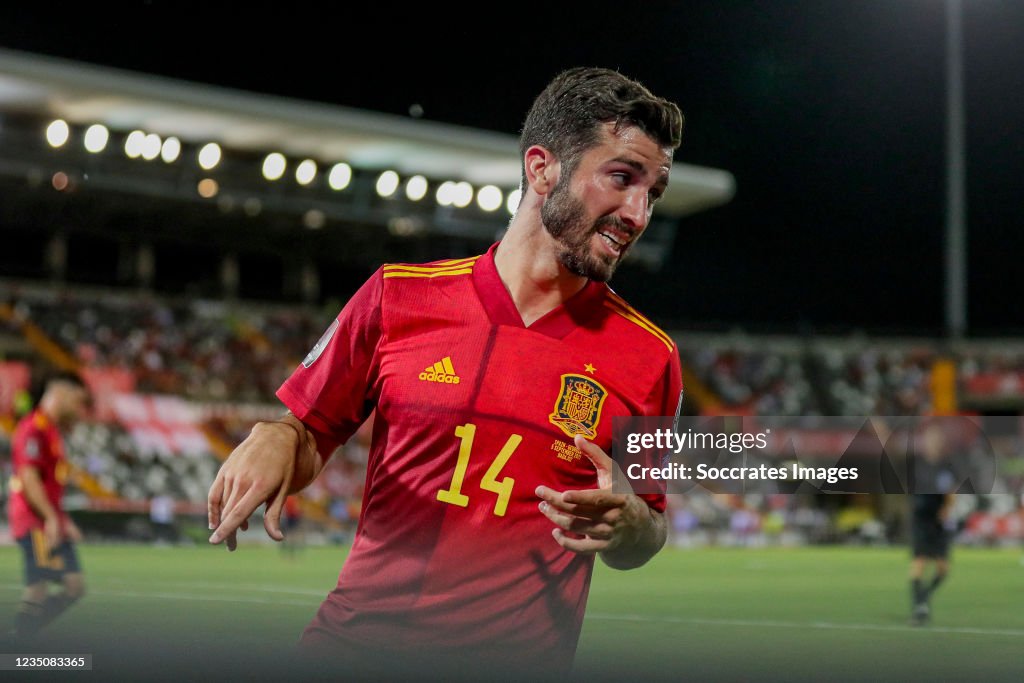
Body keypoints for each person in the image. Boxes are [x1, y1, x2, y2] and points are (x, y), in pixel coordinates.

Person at [208, 66, 685, 674]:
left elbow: (649, 527)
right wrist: (278, 434)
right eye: (621, 178)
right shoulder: (396, 297)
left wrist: (631, 523)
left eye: (654, 192)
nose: (638, 214)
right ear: (542, 168)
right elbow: (307, 432)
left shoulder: (651, 357)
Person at [6, 371, 89, 640]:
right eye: (77, 402)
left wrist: (62, 519)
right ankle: (18, 639)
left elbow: (50, 485)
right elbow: (28, 478)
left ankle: (23, 633)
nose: (79, 410)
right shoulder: (33, 427)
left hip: (49, 519)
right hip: (35, 520)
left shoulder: (51, 430)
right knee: (38, 586)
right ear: (61, 395)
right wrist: (52, 519)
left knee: (74, 586)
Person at [908, 422, 957, 626]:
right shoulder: (917, 464)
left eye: (935, 439)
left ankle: (925, 596)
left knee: (943, 569)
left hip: (939, 521)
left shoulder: (947, 466)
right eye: (929, 439)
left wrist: (947, 508)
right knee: (919, 562)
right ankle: (920, 607)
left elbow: (952, 491)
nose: (932, 442)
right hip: (921, 520)